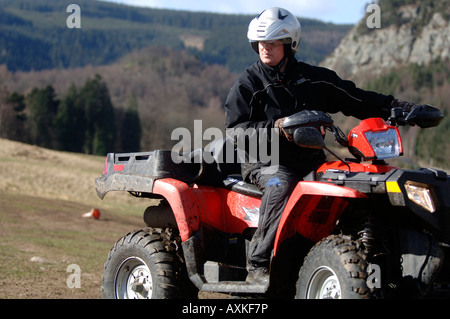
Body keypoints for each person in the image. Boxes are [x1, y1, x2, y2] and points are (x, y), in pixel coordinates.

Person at [224, 7, 419, 285]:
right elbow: (235, 130)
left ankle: (365, 258)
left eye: (273, 42)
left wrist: (398, 108)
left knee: (356, 182)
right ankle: (258, 261)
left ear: (289, 45)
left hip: (311, 162)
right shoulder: (248, 84)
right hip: (265, 164)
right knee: (282, 183)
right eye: (261, 43)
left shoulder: (312, 79)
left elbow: (354, 98)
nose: (265, 48)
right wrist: (276, 129)